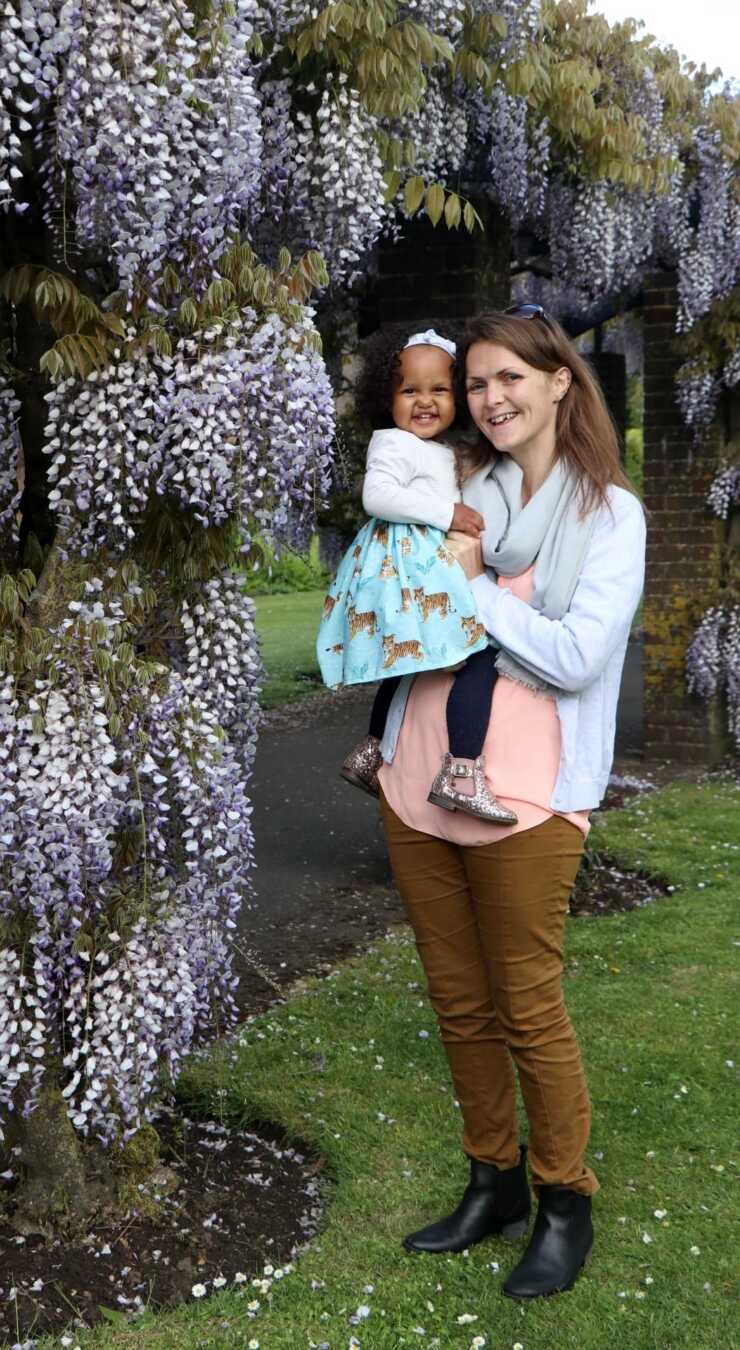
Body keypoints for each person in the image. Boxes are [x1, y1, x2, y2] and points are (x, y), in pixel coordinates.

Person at [377, 304, 645, 1299]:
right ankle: (491, 1180)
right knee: (457, 1001)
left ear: (560, 383)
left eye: (508, 381)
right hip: (419, 779)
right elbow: (394, 604)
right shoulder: (456, 491)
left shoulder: (607, 515)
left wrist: (467, 592)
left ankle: (563, 1200)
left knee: (528, 1007)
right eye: (477, 384)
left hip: (528, 800)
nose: (489, 400)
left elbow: (577, 659)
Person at [317, 324, 517, 826]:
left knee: (410, 663)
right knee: (477, 653)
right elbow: (377, 496)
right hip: (407, 570)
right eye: (410, 390)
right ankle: (461, 771)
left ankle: (370, 752)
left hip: (425, 567)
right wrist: (447, 513)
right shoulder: (391, 442)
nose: (424, 402)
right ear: (387, 398)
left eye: (439, 390)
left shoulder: (445, 450)